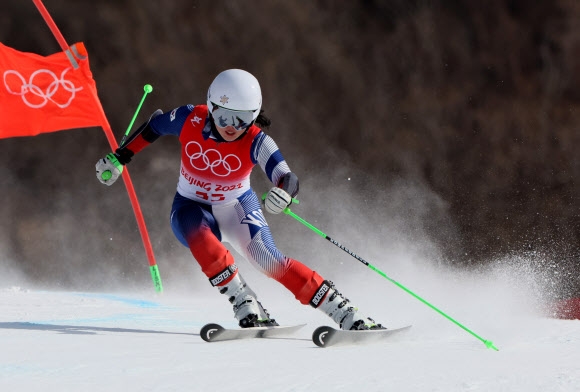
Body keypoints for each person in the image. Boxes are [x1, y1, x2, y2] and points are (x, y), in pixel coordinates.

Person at [96, 69, 383, 330]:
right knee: (198, 234)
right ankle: (244, 302)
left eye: (242, 119)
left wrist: (283, 193)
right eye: (223, 117)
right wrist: (120, 157)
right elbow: (155, 125)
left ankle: (344, 312)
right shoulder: (190, 118)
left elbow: (287, 177)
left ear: (254, 117)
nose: (231, 127)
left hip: (237, 206)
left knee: (269, 261)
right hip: (190, 206)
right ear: (211, 107)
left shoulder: (257, 140)